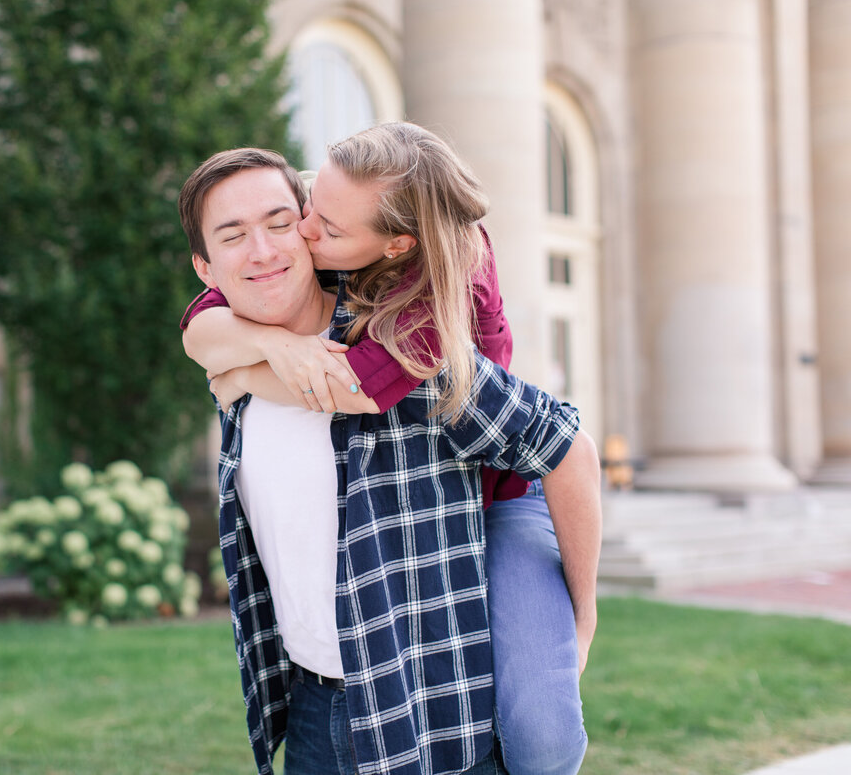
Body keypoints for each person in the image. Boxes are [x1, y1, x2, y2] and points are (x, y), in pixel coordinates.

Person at [177, 138, 600, 775]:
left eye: (280, 222)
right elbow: (199, 333)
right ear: (207, 269)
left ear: (308, 235)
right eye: (232, 236)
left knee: (547, 741)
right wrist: (265, 352)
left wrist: (581, 610)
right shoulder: (233, 362)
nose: (262, 250)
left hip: (434, 725)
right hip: (314, 717)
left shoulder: (411, 350)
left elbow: (567, 447)